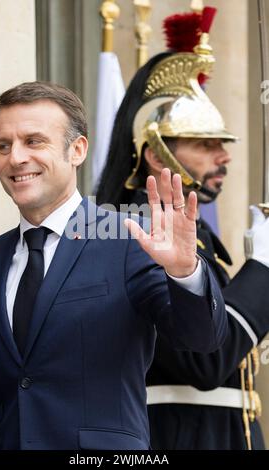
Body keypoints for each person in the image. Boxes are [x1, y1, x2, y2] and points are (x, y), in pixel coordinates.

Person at [0, 81, 227, 450]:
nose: (15, 157)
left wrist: (185, 273)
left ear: (77, 150)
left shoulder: (129, 241)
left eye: (34, 141)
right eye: (3, 145)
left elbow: (201, 340)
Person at [96, 9, 269, 450]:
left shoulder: (190, 232)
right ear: (156, 154)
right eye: (206, 144)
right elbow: (205, 360)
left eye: (223, 144)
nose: (224, 156)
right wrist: (263, 269)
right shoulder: (135, 227)